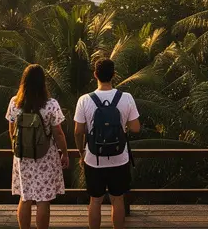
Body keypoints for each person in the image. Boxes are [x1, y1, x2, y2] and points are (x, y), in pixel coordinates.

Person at [74, 58, 141, 229]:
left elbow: (78, 131)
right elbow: (135, 128)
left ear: (95, 75)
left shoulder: (84, 100)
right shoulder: (126, 98)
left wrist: (81, 153)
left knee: (95, 201)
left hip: (93, 158)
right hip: (120, 158)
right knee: (117, 200)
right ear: (114, 75)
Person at [7, 64, 70, 229]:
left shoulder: (14, 103)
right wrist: (65, 153)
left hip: (22, 157)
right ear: (43, 82)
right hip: (45, 157)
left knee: (25, 198)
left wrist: (16, 149)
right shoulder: (51, 104)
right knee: (43, 200)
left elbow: (12, 130)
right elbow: (58, 133)